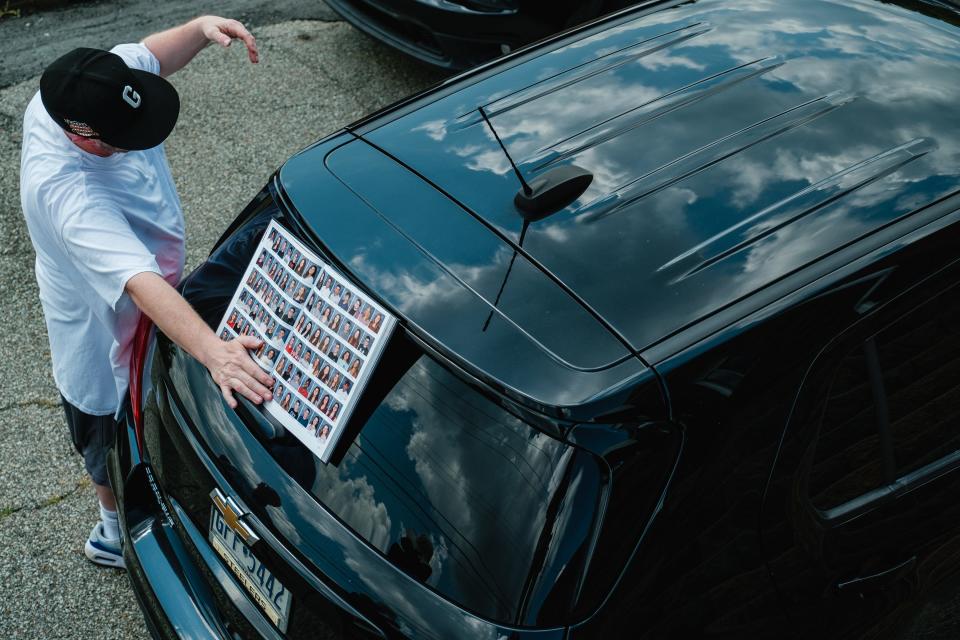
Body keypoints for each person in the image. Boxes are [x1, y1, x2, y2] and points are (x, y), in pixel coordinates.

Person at [19, 14, 271, 570]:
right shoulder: (69, 197)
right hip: (97, 329)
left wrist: (203, 28)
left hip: (148, 282)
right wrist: (216, 355)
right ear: (83, 136)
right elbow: (142, 287)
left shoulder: (92, 84)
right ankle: (111, 533)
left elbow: (152, 54)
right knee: (101, 434)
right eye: (126, 141)